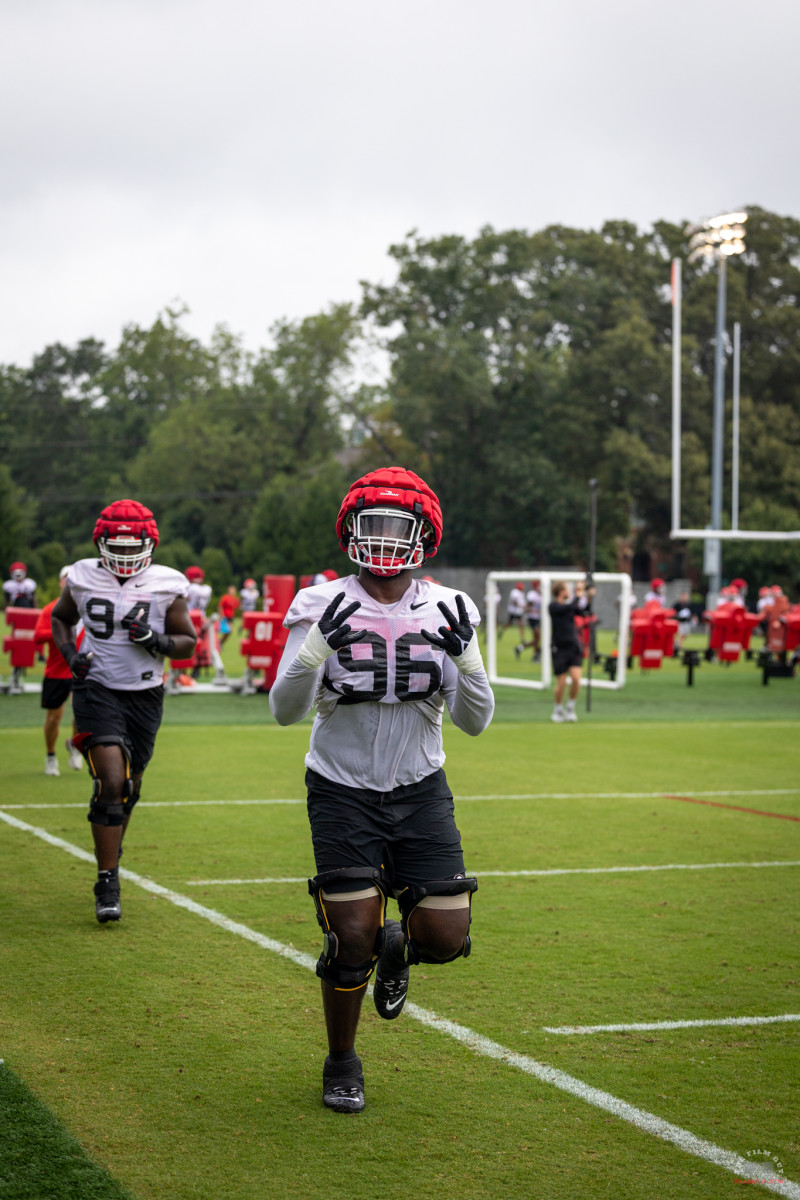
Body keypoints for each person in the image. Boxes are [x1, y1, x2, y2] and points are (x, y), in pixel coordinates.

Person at [269, 466, 494, 1114]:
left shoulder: (453, 607)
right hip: (341, 787)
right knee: (350, 938)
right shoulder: (320, 603)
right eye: (376, 526)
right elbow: (284, 712)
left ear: (425, 533)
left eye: (401, 527)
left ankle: (400, 948)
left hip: (421, 784)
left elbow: (476, 721)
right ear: (351, 531)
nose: (388, 540)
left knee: (446, 937)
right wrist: (313, 652)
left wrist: (471, 660)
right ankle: (342, 1058)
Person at [50, 499, 196, 923]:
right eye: (119, 546)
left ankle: (110, 855)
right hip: (95, 688)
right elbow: (61, 618)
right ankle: (107, 879)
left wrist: (156, 640)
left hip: (145, 695)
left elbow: (187, 642)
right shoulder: (81, 576)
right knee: (111, 780)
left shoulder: (167, 583)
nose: (127, 555)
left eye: (135, 548)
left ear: (150, 545)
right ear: (101, 542)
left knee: (128, 787)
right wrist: (68, 654)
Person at [34, 566, 85, 776]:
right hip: (56, 671)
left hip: (81, 670)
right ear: (60, 582)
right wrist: (63, 628)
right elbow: (38, 636)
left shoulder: (87, 607)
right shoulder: (50, 609)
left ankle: (74, 746)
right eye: (67, 579)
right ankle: (51, 755)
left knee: (82, 714)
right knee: (54, 718)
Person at [548, 579, 595, 723]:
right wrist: (579, 593)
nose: (568, 591)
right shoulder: (553, 606)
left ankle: (570, 708)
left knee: (576, 679)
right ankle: (557, 710)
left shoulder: (570, 606)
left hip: (574, 647)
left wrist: (589, 597)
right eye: (567, 589)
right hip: (559, 649)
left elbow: (585, 612)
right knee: (561, 682)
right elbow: (570, 607)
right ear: (561, 591)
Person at [514, 581, 542, 660]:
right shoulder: (532, 595)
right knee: (537, 636)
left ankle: (519, 648)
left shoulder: (542, 595)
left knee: (537, 639)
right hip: (532, 618)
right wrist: (535, 611)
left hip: (539, 618)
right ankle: (536, 655)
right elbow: (527, 608)